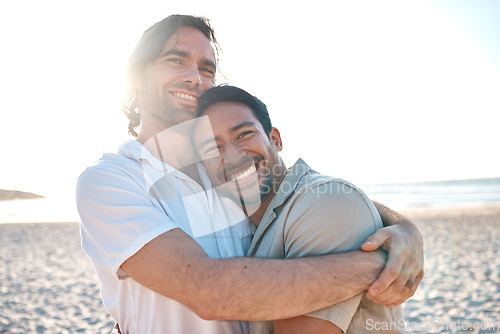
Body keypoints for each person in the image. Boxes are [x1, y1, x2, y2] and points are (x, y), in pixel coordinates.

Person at [76, 14, 423, 333]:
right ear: (135, 76)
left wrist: (404, 227)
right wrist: (377, 265)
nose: (194, 77)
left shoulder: (221, 168)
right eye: (176, 60)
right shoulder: (112, 181)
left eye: (207, 69)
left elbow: (302, 196)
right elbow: (207, 291)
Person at [194, 85, 412, 333]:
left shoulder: (326, 203)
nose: (232, 156)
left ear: (275, 139)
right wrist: (405, 226)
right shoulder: (254, 221)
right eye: (213, 148)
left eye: (243, 134)